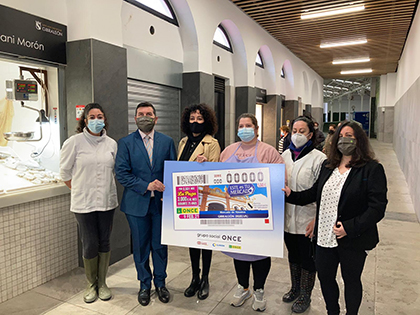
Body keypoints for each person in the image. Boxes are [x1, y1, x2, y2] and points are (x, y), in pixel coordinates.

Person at [283, 121, 388, 315]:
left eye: (349, 136)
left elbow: (377, 207)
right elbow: (314, 194)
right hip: (324, 237)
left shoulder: (371, 169)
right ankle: (332, 311)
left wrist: (350, 227)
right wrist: (291, 194)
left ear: (359, 140)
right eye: (341, 136)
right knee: (326, 278)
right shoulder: (328, 165)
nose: (344, 140)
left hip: (351, 238)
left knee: (351, 280)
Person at [220, 113, 284, 312]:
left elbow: (280, 180)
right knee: (238, 252)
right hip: (234, 214)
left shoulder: (269, 152)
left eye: (248, 125)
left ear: (256, 129)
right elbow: (216, 177)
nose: (244, 129)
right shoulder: (228, 151)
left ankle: (259, 290)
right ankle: (243, 287)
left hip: (260, 214)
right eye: (241, 125)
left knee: (259, 253)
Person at [115, 102, 177, 306]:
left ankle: (161, 283)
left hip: (160, 205)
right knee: (141, 248)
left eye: (149, 114)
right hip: (136, 204)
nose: (145, 117)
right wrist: (147, 185)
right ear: (135, 118)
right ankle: (144, 285)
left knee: (160, 246)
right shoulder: (125, 143)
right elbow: (122, 173)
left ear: (156, 118)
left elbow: (173, 171)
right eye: (140, 114)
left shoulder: (167, 141)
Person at [60, 103, 117, 303]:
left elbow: (114, 170)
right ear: (85, 120)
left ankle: (102, 283)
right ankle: (91, 284)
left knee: (105, 241)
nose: (96, 120)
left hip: (106, 202)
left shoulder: (111, 143)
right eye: (91, 117)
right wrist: (79, 190)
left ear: (104, 119)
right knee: (90, 243)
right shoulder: (74, 142)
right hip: (83, 204)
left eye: (99, 116)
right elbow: (65, 174)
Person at [281, 116, 326, 313]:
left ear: (310, 134)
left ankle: (306, 294)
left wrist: (292, 196)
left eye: (302, 131)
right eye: (294, 131)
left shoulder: (319, 159)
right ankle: (295, 288)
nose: (297, 135)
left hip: (308, 217)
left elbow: (318, 192)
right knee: (293, 255)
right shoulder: (283, 156)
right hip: (287, 218)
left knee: (308, 258)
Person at [178, 104, 221, 300]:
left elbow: (216, 174)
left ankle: (205, 278)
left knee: (206, 241)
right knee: (192, 241)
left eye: (199, 118)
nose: (195, 122)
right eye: (192, 118)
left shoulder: (212, 144)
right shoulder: (183, 142)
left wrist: (207, 164)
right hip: (186, 200)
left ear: (207, 122)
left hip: (205, 200)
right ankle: (194, 277)